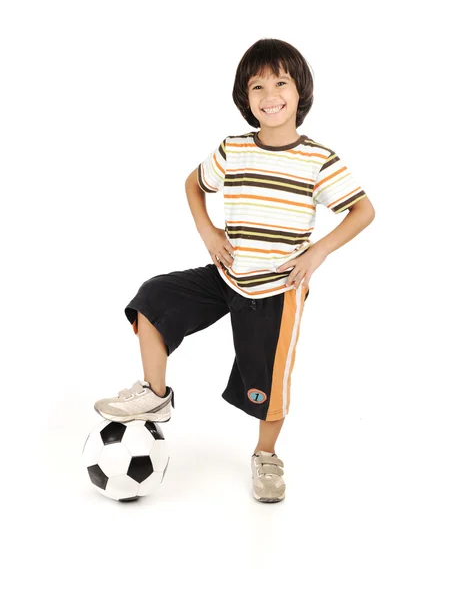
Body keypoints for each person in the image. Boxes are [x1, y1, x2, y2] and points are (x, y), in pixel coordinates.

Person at [93, 38, 375, 502]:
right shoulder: (234, 148)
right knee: (152, 299)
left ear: (299, 91)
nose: (270, 95)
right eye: (257, 86)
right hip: (227, 274)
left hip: (276, 289)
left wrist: (317, 252)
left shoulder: (318, 160)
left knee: (268, 385)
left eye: (280, 82)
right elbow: (193, 183)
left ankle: (266, 455)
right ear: (245, 99)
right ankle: (155, 394)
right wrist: (208, 231)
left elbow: (363, 211)